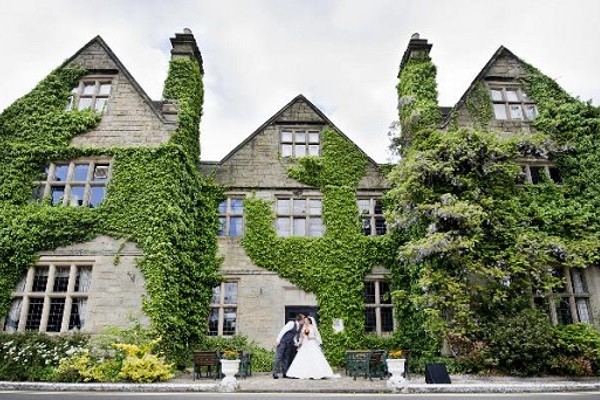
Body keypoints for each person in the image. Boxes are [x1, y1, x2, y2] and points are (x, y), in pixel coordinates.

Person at [273, 313, 306, 379]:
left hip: (289, 344)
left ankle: (285, 373)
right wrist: (278, 340)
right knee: (278, 357)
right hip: (282, 342)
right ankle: (275, 373)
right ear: (300, 319)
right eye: (303, 319)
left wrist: (296, 342)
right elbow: (282, 331)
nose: (304, 320)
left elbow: (294, 336)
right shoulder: (291, 323)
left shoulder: (299, 326)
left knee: (286, 358)